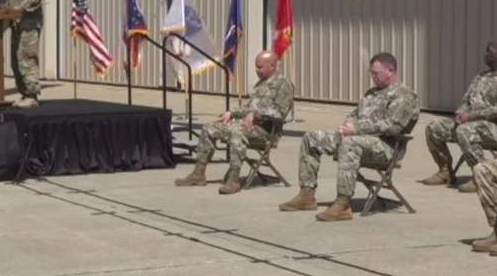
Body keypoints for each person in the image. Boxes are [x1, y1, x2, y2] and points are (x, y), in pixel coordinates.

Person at [279, 52, 419, 221]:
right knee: (312, 138)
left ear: (390, 70)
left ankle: (343, 203)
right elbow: (354, 114)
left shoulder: (404, 95)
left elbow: (392, 126)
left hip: (386, 147)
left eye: (376, 73)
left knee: (350, 144)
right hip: (360, 139)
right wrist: (345, 128)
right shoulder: (372, 93)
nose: (373, 76)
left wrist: (356, 129)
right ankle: (306, 194)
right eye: (371, 73)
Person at [174, 50, 294, 194]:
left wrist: (255, 114)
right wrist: (232, 113)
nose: (257, 70)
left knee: (237, 132)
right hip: (248, 126)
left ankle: (233, 179)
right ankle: (198, 174)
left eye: (260, 67)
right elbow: (247, 108)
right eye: (256, 67)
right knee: (209, 128)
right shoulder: (261, 85)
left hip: (266, 131)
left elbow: (280, 114)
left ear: (272, 66)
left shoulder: (284, 85)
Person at [420, 40, 497, 192]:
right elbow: (465, 100)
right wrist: (460, 113)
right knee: (434, 129)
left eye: (489, 51)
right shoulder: (481, 77)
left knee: (465, 131)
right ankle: (445, 171)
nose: (484, 54)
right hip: (472, 124)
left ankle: (481, 176)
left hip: (493, 127)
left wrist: (472, 116)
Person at [4, 0, 43, 108]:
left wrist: (19, 10)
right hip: (16, 24)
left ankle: (32, 95)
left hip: (29, 23)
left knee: (27, 58)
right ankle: (24, 93)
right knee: (16, 60)